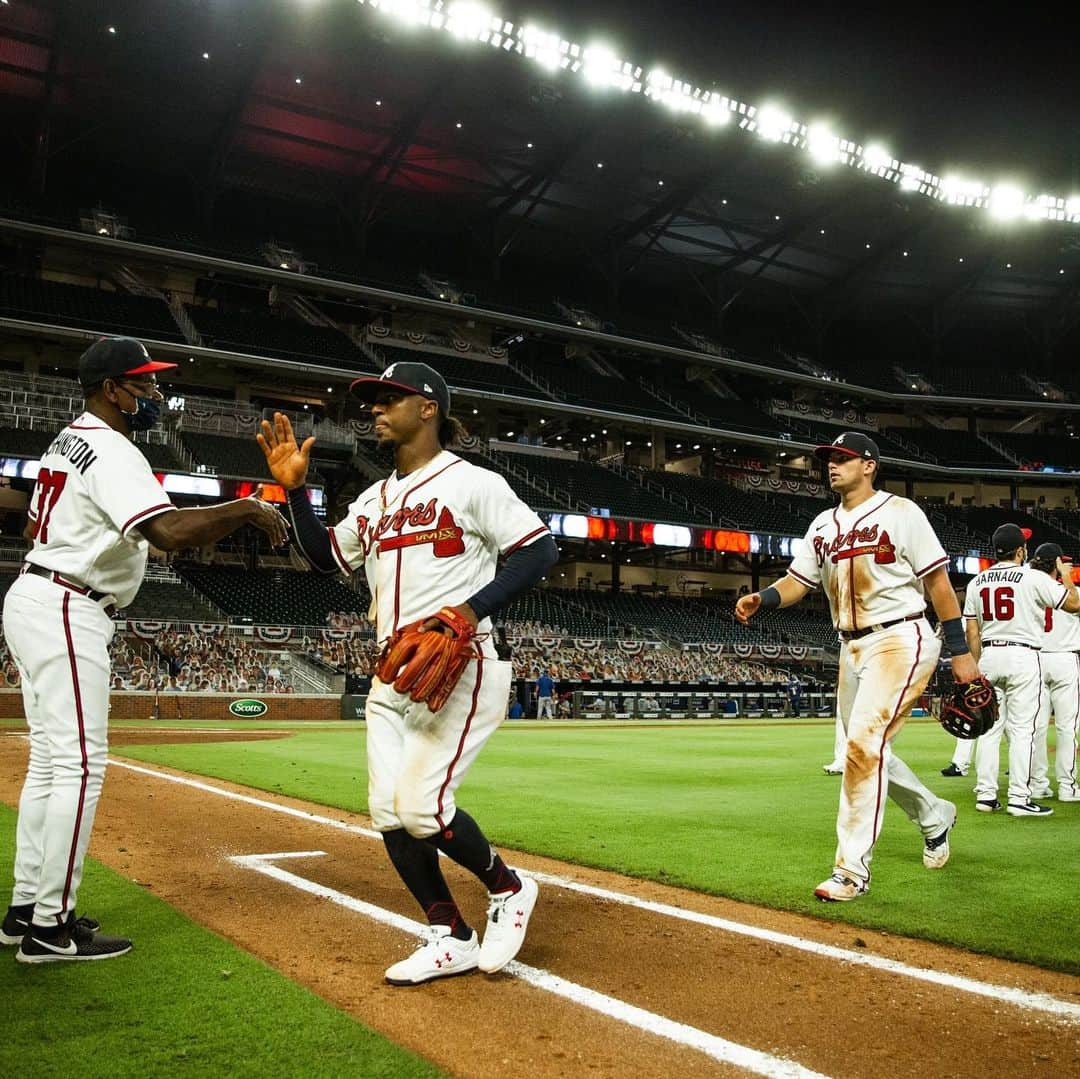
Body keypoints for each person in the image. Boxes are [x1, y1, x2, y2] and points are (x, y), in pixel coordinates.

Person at [258, 361, 558, 986]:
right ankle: (448, 933)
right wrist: (294, 491)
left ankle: (508, 888)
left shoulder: (473, 482)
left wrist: (466, 613)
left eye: (389, 398)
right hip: (393, 670)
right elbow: (324, 557)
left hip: (460, 666)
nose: (375, 408)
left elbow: (539, 550)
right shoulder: (373, 498)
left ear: (428, 409)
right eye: (373, 399)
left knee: (422, 810)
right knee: (388, 814)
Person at [0, 337, 288, 963]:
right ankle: (50, 926)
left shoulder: (67, 438)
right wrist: (245, 506)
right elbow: (169, 533)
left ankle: (26, 909)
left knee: (53, 765)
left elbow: (32, 525)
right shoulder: (111, 447)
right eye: (144, 384)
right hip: (67, 605)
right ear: (112, 390)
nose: (154, 395)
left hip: (40, 592)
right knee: (78, 764)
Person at [735, 432, 977, 902]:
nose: (832, 465)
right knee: (862, 750)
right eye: (828, 459)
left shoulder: (901, 512)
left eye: (843, 458)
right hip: (851, 647)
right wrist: (762, 598)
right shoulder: (822, 524)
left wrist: (959, 650)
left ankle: (850, 871)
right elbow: (797, 581)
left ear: (870, 465)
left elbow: (939, 584)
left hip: (900, 636)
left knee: (865, 744)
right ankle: (933, 814)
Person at [963, 529, 1079, 816]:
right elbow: (1074, 604)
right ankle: (1019, 797)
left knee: (990, 729)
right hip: (1023, 655)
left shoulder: (977, 581)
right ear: (1020, 550)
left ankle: (987, 795)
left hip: (989, 654)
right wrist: (1066, 575)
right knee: (1023, 730)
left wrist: (977, 668)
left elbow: (972, 630)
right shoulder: (1033, 578)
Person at [1028, 544, 1080, 801]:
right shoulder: (1073, 592)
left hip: (1036, 660)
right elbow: (1075, 604)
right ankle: (1067, 788)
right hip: (1064, 660)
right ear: (1057, 565)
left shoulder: (1031, 592)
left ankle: (1037, 784)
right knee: (1066, 727)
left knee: (1036, 726)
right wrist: (1066, 575)